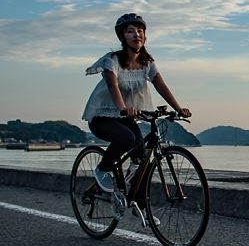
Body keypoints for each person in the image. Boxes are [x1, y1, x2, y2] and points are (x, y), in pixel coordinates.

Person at [81, 13, 191, 193]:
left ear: (145, 36)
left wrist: (178, 109)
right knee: (127, 138)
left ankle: (137, 204)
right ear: (122, 37)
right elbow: (112, 87)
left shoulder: (147, 62)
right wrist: (123, 108)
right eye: (130, 31)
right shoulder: (112, 60)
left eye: (140, 31)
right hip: (102, 117)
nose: (136, 35)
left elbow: (160, 85)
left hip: (125, 118)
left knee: (141, 160)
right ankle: (103, 169)